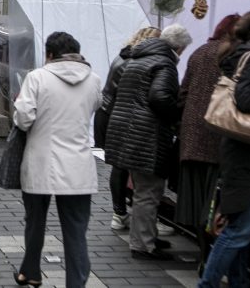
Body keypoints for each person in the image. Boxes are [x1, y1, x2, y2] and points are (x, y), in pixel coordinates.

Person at [198, 10, 250, 288]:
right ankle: (207, 284)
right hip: (248, 158)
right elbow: (247, 100)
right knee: (239, 232)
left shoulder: (238, 54)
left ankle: (239, 282)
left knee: (240, 230)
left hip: (238, 154)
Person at [13, 32, 102, 288]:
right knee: (76, 231)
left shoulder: (37, 78)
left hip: (41, 162)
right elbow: (96, 104)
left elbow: (24, 118)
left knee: (35, 223)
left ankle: (31, 271)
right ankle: (76, 283)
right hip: (79, 165)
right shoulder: (93, 79)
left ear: (49, 54)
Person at [104, 24, 192, 261]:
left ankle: (146, 237)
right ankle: (143, 245)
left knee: (144, 189)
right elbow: (160, 97)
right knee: (148, 191)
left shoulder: (137, 58)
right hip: (146, 135)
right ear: (180, 47)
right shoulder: (164, 63)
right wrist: (177, 113)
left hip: (128, 131)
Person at [176, 14, 239, 265]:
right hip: (217, 137)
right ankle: (210, 260)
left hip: (192, 135)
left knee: (197, 202)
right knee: (213, 203)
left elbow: (184, 92)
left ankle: (203, 255)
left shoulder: (199, 52)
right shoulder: (233, 56)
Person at [99, 26, 162, 231]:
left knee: (120, 166)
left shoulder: (124, 56)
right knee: (124, 166)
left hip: (108, 113)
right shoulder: (134, 62)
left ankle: (120, 212)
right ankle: (123, 213)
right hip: (119, 115)